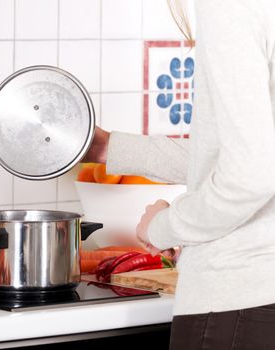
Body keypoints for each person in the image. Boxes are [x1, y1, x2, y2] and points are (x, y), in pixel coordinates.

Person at [83, 0, 275, 349]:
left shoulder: (229, 7)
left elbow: (251, 176)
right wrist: (108, 149)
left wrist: (164, 225)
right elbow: (243, 154)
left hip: (238, 297)